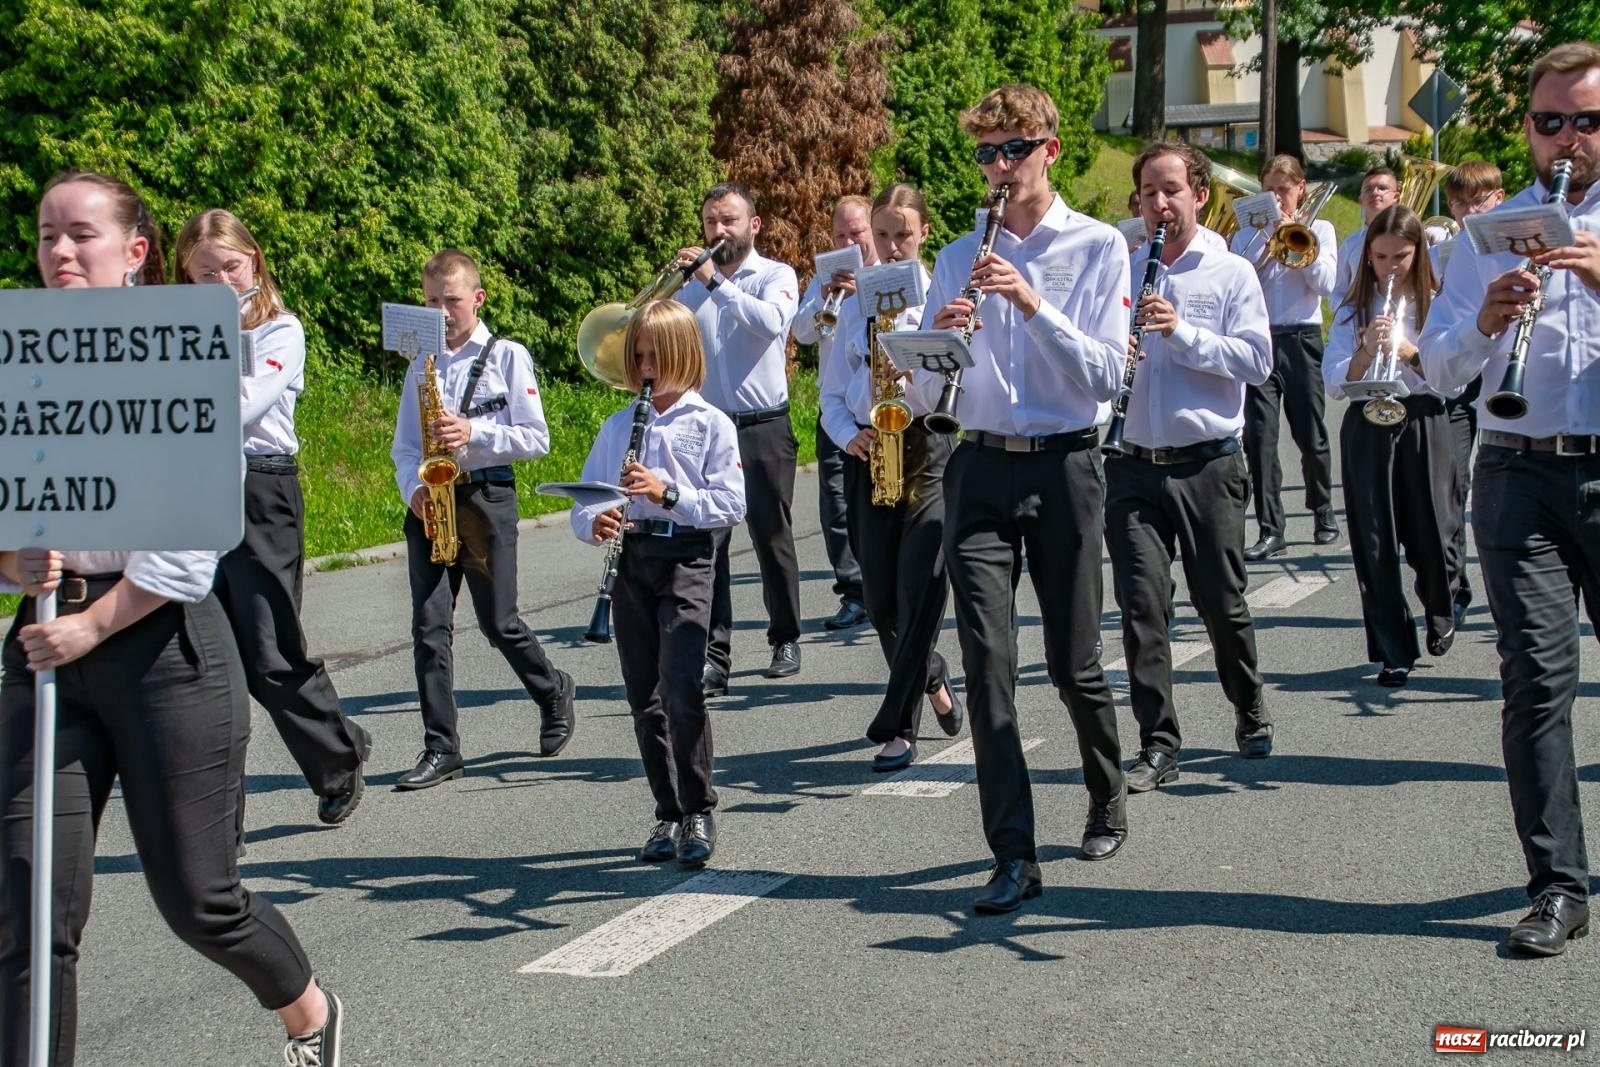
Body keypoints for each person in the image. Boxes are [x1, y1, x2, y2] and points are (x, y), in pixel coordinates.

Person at [0, 171, 341, 1067]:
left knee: (199, 899)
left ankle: (307, 1008)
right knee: (29, 905)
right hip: (45, 649)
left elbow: (189, 550)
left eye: (82, 234)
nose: (60, 252)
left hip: (165, 648)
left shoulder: (186, 353)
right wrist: (9, 560)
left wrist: (92, 624)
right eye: (46, 236)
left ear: (137, 251)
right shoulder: (18, 351)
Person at [927, 84, 1130, 914]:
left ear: (1050, 148)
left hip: (1065, 464)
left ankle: (1107, 785)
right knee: (987, 666)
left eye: (1014, 149)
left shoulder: (1099, 246)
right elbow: (925, 378)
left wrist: (1031, 302)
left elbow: (1108, 375)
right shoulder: (954, 252)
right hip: (976, 466)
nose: (999, 167)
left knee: (1073, 662)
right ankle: (1013, 853)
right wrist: (936, 342)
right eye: (986, 153)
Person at [1419, 40, 1600, 957]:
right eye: (1550, 121)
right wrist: (1487, 321)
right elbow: (1440, 366)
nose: (1567, 136)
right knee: (1534, 684)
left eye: (1587, 120)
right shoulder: (1486, 235)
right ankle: (1557, 885)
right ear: (1527, 128)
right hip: (1516, 471)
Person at [173, 209, 371, 829]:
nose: (222, 283)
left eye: (231, 268)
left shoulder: (280, 330)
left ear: (253, 263)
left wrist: (216, 337)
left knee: (268, 652)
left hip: (262, 490)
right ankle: (220, 822)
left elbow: (240, 404)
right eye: (205, 275)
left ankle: (339, 751)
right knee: (206, 660)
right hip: (197, 488)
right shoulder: (174, 334)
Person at [1107, 142, 1275, 794]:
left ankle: (1247, 697)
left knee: (1220, 601)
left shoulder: (1230, 273)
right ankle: (1158, 742)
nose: (1159, 204)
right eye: (1148, 191)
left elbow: (1257, 362)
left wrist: (1182, 333)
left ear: (1200, 194)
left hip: (1207, 463)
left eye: (1171, 190)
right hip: (1132, 464)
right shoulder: (1120, 269)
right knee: (1142, 608)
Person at [390, 249, 574, 789]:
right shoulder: (419, 361)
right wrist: (414, 491)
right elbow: (404, 447)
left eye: (451, 300)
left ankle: (552, 689)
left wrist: (475, 433)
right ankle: (441, 747)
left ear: (477, 298)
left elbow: (536, 438)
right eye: (430, 302)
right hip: (432, 501)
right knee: (429, 628)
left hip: (487, 495)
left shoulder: (507, 355)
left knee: (499, 622)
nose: (441, 312)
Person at [571, 301, 746, 867]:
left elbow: (730, 504)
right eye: (638, 356)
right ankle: (667, 811)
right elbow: (588, 497)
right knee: (643, 699)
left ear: (681, 355)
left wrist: (666, 492)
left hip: (688, 557)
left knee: (680, 686)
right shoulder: (619, 424)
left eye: (654, 356)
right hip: (633, 561)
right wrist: (593, 522)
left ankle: (698, 807)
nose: (644, 367)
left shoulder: (710, 423)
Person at [818, 183, 963, 772]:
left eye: (903, 233)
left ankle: (897, 726)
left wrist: (912, 369)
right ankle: (929, 672)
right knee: (880, 599)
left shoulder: (940, 294)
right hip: (869, 448)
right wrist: (845, 433)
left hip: (927, 445)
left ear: (923, 232)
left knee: (918, 585)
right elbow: (829, 393)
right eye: (883, 235)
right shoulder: (856, 301)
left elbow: (950, 383)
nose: (893, 244)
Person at [674, 184, 804, 692]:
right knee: (710, 542)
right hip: (708, 427)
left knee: (771, 535)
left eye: (728, 220)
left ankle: (785, 637)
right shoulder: (689, 285)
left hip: (763, 423)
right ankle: (714, 656)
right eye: (710, 222)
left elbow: (770, 323)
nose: (718, 231)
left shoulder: (776, 276)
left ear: (754, 224)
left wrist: (714, 285)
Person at [1325, 205, 1459, 688]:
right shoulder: (1351, 309)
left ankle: (1441, 606)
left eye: (1400, 256)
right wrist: (1366, 350)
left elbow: (1455, 381)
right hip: (1367, 420)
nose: (1390, 266)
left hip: (1423, 418)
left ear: (1418, 253)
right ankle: (1392, 649)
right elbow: (1335, 383)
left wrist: (1409, 352)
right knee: (1375, 540)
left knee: (1433, 531)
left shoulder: (1439, 304)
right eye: (1380, 257)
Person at [1231, 154, 1340, 559]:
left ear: (1300, 189)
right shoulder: (1245, 235)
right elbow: (1237, 285)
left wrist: (1292, 236)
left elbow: (1326, 284)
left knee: (1310, 433)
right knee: (1259, 438)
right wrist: (1265, 244)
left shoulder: (1320, 229)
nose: (1277, 196)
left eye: (1284, 188)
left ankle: (1323, 509)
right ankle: (1270, 527)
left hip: (1301, 337)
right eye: (1269, 188)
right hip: (1259, 338)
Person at [792, 196, 873, 633]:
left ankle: (885, 587)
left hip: (882, 412)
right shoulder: (824, 279)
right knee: (836, 504)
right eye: (840, 235)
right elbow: (803, 333)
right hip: (835, 411)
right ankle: (853, 591)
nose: (848, 243)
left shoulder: (889, 274)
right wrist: (823, 295)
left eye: (856, 234)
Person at [1434, 161, 1506, 623]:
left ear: (1498, 199)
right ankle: (1455, 585)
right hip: (1462, 373)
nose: (1465, 211)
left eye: (1476, 202)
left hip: (1501, 374)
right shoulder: (1447, 247)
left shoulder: (1515, 243)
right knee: (1452, 482)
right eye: (1458, 203)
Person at [1333, 166, 1401, 300]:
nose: (1375, 193)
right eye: (1368, 189)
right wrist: (1352, 315)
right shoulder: (1350, 244)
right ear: (1361, 199)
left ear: (1396, 197)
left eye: (1382, 188)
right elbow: (1337, 291)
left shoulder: (1410, 241)